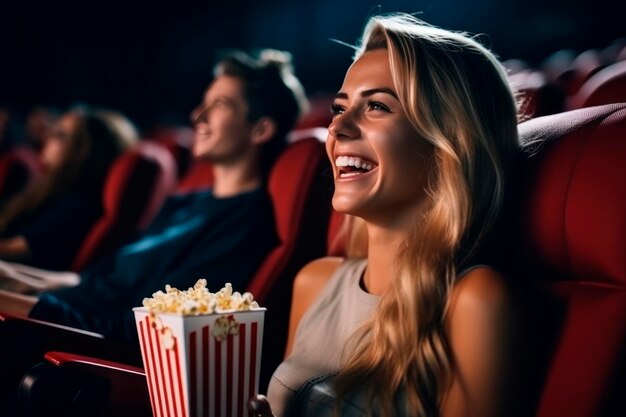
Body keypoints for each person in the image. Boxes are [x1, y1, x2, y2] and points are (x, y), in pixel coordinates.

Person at [253, 13, 525, 417]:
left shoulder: (476, 301)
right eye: (339, 107)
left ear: (448, 142)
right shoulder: (314, 280)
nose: (337, 128)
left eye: (377, 106)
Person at [0, 48, 309, 344]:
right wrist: (14, 279)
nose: (197, 115)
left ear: (261, 130)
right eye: (204, 102)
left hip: (75, 343)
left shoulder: (245, 223)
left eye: (220, 104)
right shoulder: (183, 202)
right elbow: (95, 283)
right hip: (60, 312)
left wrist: (22, 306)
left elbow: (140, 333)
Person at [0, 106, 138, 270]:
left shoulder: (79, 202)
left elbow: (13, 252)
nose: (47, 137)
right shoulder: (55, 187)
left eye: (59, 134)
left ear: (87, 151)